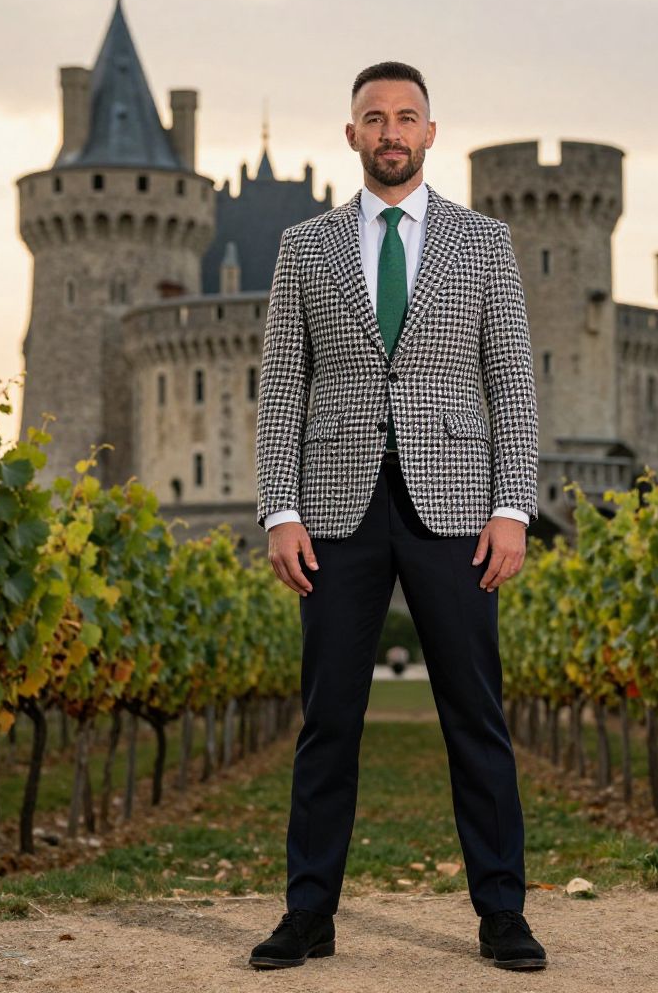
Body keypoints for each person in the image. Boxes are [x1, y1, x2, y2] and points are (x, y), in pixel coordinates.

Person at [250, 60, 545, 971]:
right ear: (351, 136)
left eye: (405, 117)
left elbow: (511, 382)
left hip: (456, 501)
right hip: (334, 509)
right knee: (328, 718)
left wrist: (512, 507)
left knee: (475, 714)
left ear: (429, 133)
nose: (389, 131)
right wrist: (279, 508)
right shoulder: (304, 246)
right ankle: (310, 914)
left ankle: (502, 914)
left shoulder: (484, 243)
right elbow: (280, 389)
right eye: (373, 117)